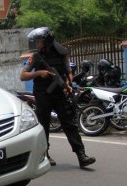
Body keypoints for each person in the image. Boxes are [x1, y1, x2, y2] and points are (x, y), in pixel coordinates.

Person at [20, 27, 96, 168]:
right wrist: (39, 73)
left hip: (60, 93)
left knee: (69, 123)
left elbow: (69, 72)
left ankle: (81, 155)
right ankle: (45, 154)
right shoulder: (36, 57)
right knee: (43, 126)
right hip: (43, 94)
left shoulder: (62, 53)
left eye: (39, 41)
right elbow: (23, 76)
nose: (37, 44)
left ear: (47, 41)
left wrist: (68, 83)